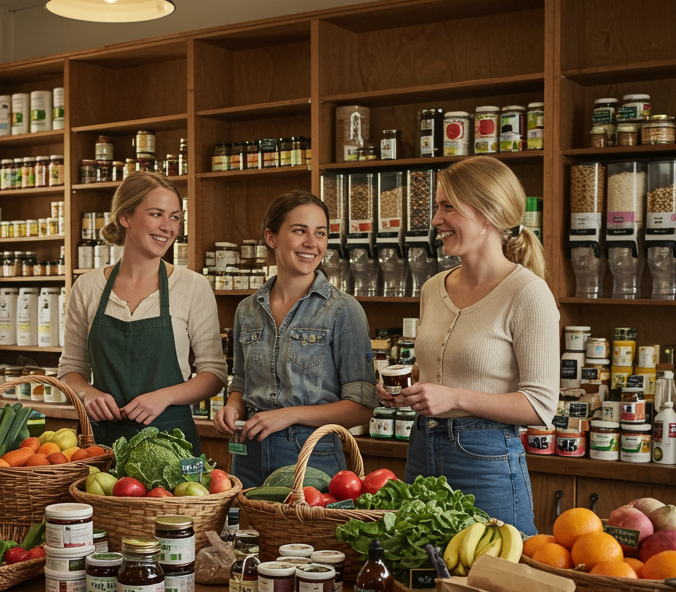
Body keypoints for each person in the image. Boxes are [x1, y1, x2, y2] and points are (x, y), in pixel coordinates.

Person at [380, 155, 558, 537]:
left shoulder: (527, 292)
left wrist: (453, 398)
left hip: (486, 457)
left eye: (448, 207)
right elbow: (445, 369)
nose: (436, 220)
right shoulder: (433, 288)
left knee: (494, 581)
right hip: (422, 445)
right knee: (418, 574)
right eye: (437, 207)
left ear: (487, 216)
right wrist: (408, 390)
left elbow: (541, 405)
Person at [213, 192, 376, 485]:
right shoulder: (247, 309)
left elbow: (360, 408)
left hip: (312, 455)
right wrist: (233, 406)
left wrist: (288, 416)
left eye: (321, 233)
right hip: (247, 454)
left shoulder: (342, 309)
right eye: (300, 230)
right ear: (271, 237)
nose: (312, 243)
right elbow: (240, 382)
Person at [59, 171, 226, 456]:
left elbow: (214, 373)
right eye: (156, 214)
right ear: (125, 218)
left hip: (174, 443)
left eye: (175, 217)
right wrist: (89, 394)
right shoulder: (87, 287)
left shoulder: (192, 286)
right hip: (101, 444)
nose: (168, 227)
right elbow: (70, 370)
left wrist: (164, 397)